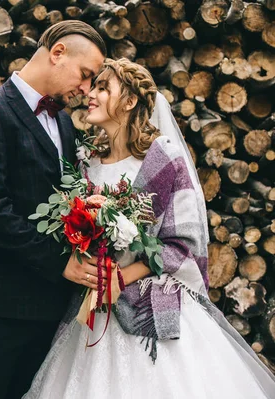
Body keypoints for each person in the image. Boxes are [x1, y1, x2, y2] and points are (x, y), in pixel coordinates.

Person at [23, 58, 275, 398]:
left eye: (103, 88)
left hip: (148, 304)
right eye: (93, 86)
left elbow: (182, 242)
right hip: (94, 309)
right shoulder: (86, 160)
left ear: (129, 102)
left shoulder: (162, 159)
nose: (91, 95)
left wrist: (120, 278)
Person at [0, 21, 106, 399]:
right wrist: (60, 262)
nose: (86, 89)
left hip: (51, 308)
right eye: (85, 75)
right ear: (57, 53)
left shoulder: (64, 124)